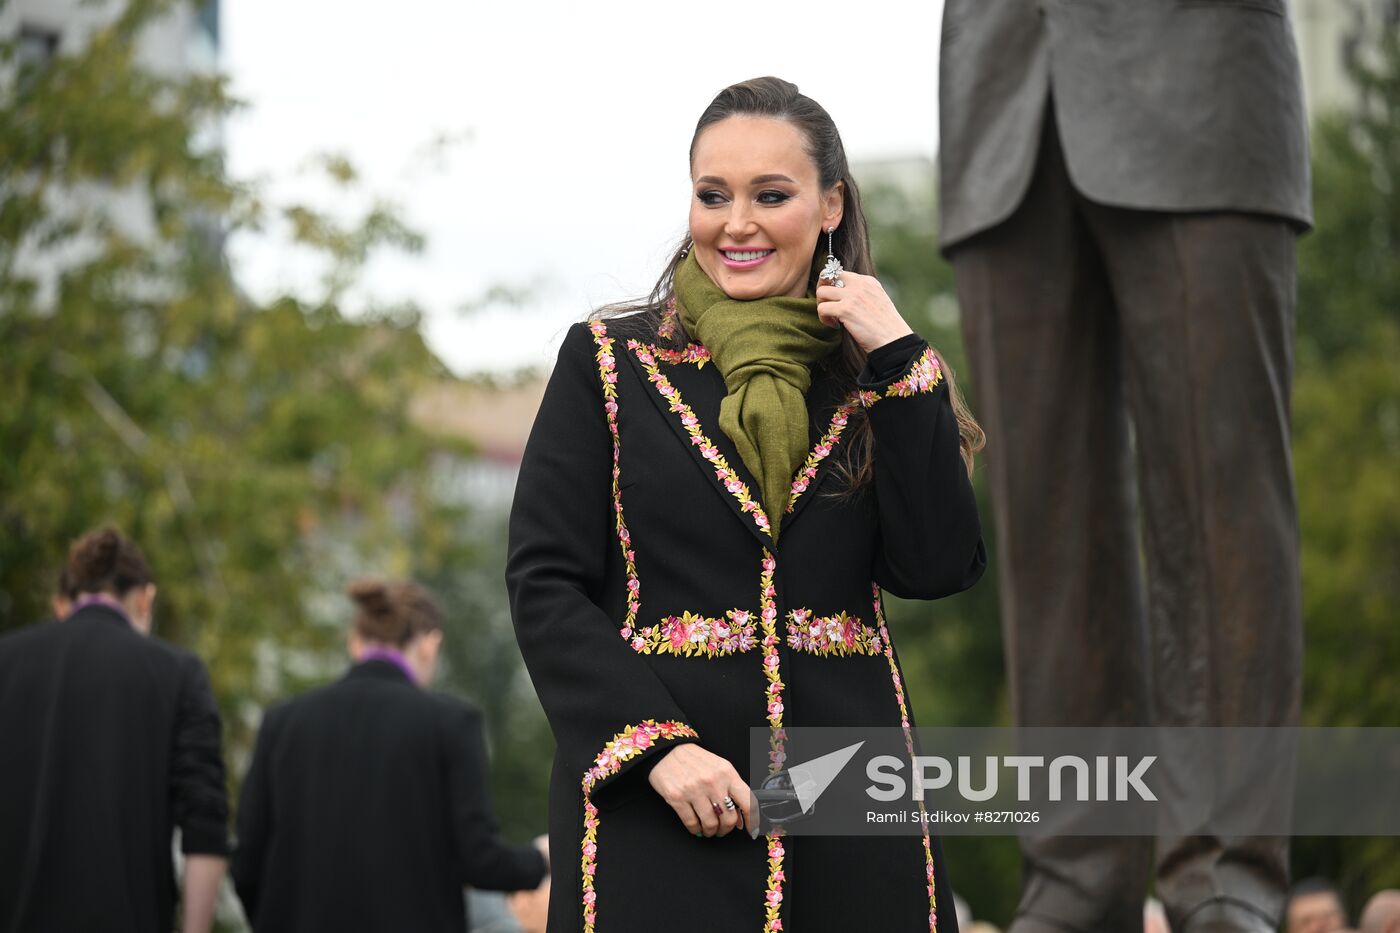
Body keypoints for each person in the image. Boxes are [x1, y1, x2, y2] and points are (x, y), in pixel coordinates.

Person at [507, 76, 986, 932]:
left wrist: (905, 364)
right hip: (663, 797)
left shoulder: (875, 373)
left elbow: (937, 565)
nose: (738, 223)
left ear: (831, 203)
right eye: (712, 195)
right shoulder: (610, 363)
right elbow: (544, 582)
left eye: (772, 195)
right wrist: (653, 744)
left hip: (848, 792)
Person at [938, 3, 1310, 931]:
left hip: (1204, 85)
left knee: (1224, 519)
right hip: (1001, 98)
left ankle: (1227, 871)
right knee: (1043, 539)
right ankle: (1074, 876)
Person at [232, 578, 548, 933]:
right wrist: (540, 858)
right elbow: (479, 861)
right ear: (431, 643)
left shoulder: (283, 722)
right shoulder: (451, 724)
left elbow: (246, 863)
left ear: (355, 640)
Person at [0, 527, 229, 933]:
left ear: (61, 603)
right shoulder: (178, 674)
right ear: (145, 598)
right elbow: (205, 826)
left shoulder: (8, 661)